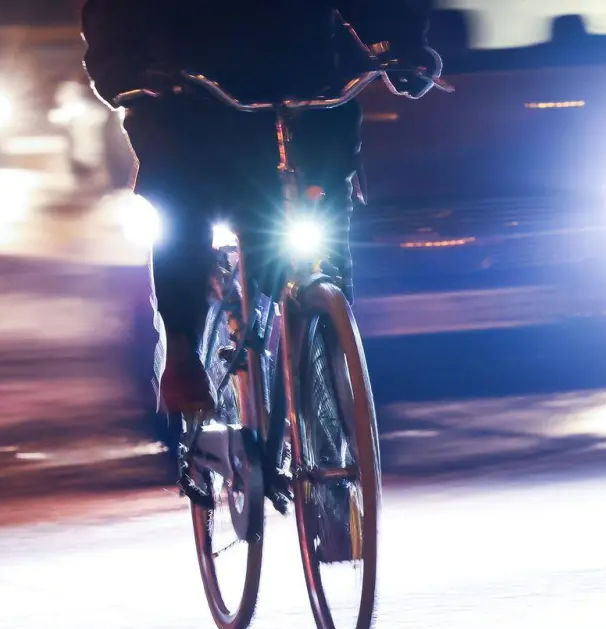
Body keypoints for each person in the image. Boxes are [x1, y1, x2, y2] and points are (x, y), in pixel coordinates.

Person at [82, 0, 442, 416]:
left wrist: (403, 48)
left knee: (324, 211)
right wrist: (126, 71)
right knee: (183, 206)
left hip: (306, 93)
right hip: (187, 99)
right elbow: (114, 16)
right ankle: (182, 354)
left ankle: (329, 342)